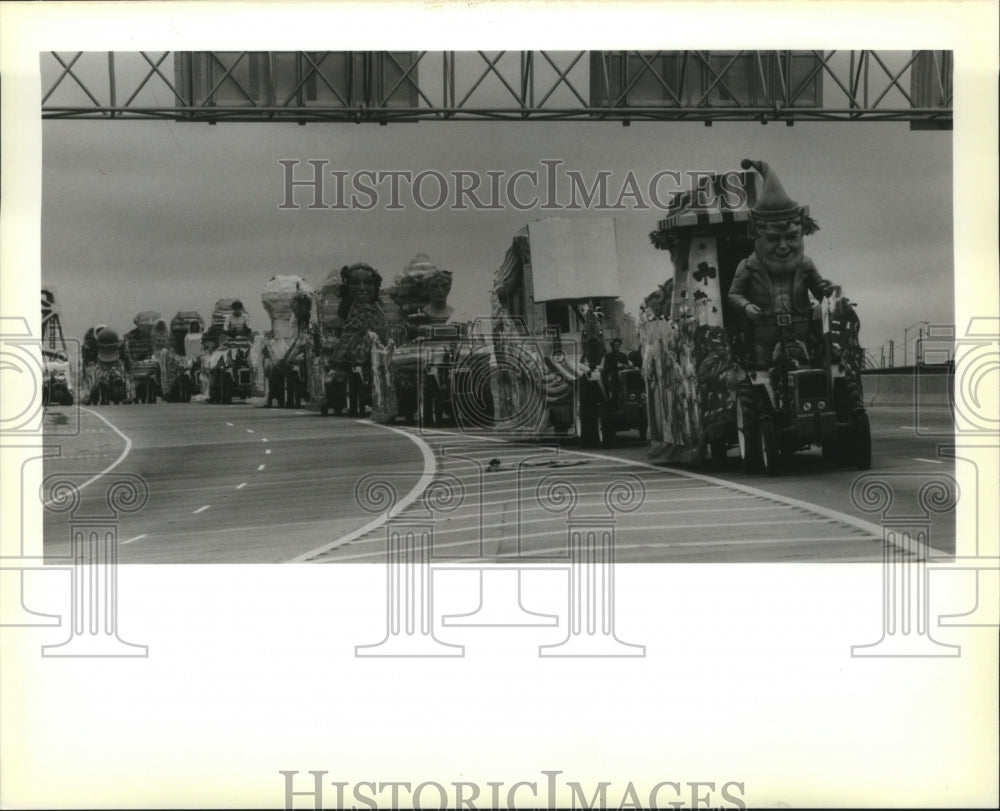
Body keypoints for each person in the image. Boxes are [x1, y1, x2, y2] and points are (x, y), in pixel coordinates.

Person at [728, 158, 835, 369]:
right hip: (765, 332)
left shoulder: (805, 264)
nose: (784, 246)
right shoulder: (748, 266)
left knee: (804, 372)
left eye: (792, 237)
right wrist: (747, 307)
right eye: (773, 239)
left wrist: (827, 289)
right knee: (764, 372)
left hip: (800, 329)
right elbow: (734, 294)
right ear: (757, 237)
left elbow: (820, 290)